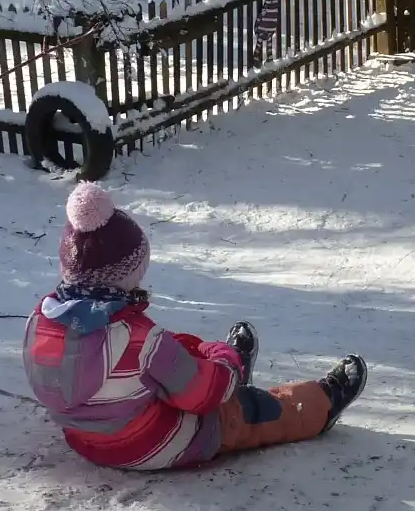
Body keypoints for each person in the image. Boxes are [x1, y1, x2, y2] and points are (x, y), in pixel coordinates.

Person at [23, 182, 366, 469]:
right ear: (125, 277)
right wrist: (224, 360)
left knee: (162, 356)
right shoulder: (140, 340)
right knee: (241, 411)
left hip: (87, 439)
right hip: (154, 445)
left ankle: (221, 371)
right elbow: (204, 397)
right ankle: (319, 403)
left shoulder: (41, 318)